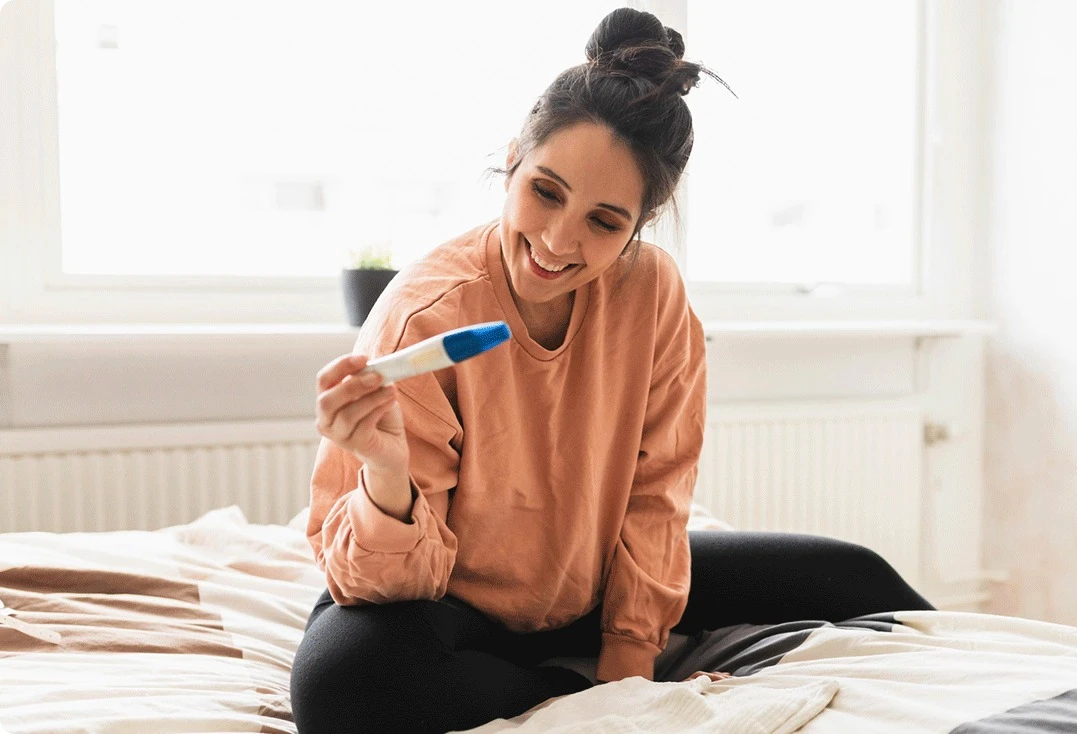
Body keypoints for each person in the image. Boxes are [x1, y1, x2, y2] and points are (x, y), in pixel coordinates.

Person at [290, 8, 933, 733]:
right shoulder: (424, 318)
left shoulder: (653, 294)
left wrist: (630, 669)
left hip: (588, 581)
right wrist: (384, 470)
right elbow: (379, 585)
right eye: (546, 191)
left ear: (639, 226)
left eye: (603, 222)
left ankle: (572, 674)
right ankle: (548, 687)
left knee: (859, 578)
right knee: (342, 688)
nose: (558, 242)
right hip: (448, 603)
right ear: (511, 163)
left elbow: (656, 494)